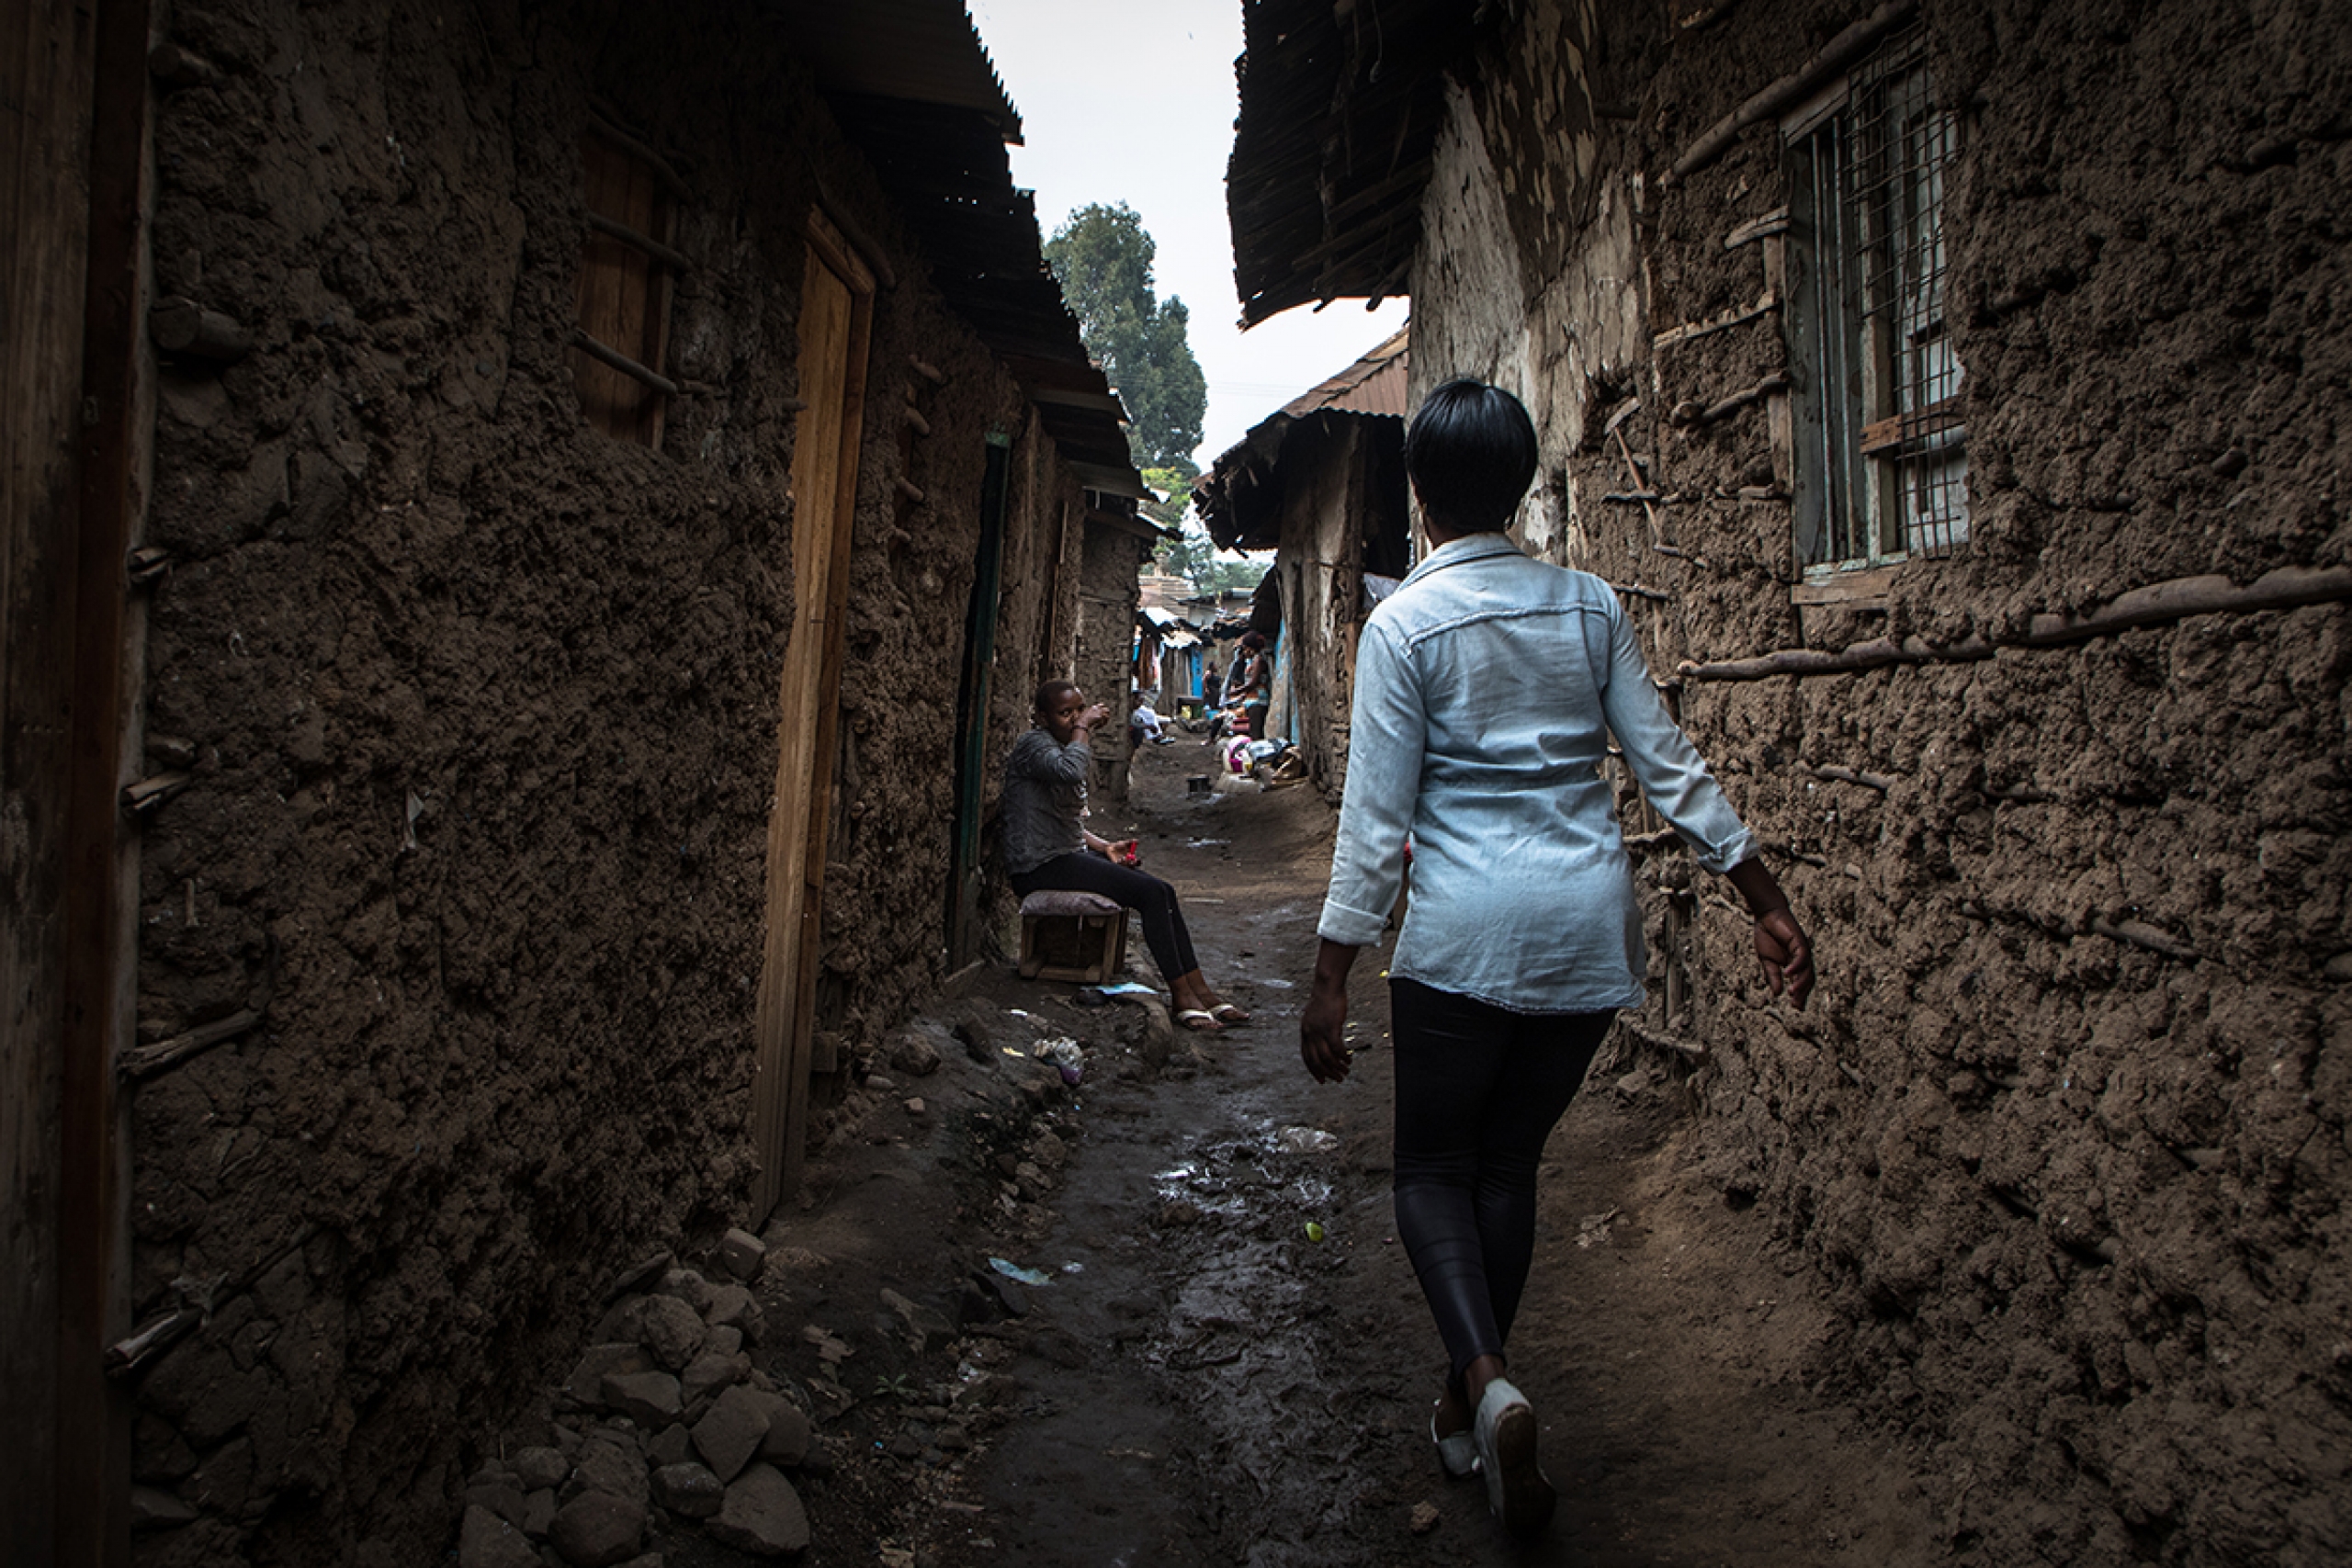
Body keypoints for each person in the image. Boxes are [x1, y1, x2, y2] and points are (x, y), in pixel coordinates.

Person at [1299, 380, 1815, 1535]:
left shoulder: (1403, 627)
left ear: (1419, 494)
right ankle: (1467, 1398)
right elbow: (1667, 764)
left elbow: (1376, 823)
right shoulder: (1587, 607)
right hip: (1585, 930)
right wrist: (1761, 897)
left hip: (1464, 937)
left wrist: (1331, 971)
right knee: (1508, 1167)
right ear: (1522, 486)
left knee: (1433, 1171)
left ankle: (1484, 1381)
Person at [1004, 680, 1250, 1031]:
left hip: (1060, 857)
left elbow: (1059, 820)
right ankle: (1182, 997)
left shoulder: (1063, 745)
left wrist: (1103, 846)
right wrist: (1083, 728)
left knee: (1162, 890)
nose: (1074, 719)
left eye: (1078, 710)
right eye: (1064, 714)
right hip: (1037, 867)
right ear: (1042, 717)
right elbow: (1070, 771)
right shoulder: (1034, 746)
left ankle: (1201, 991)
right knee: (1148, 894)